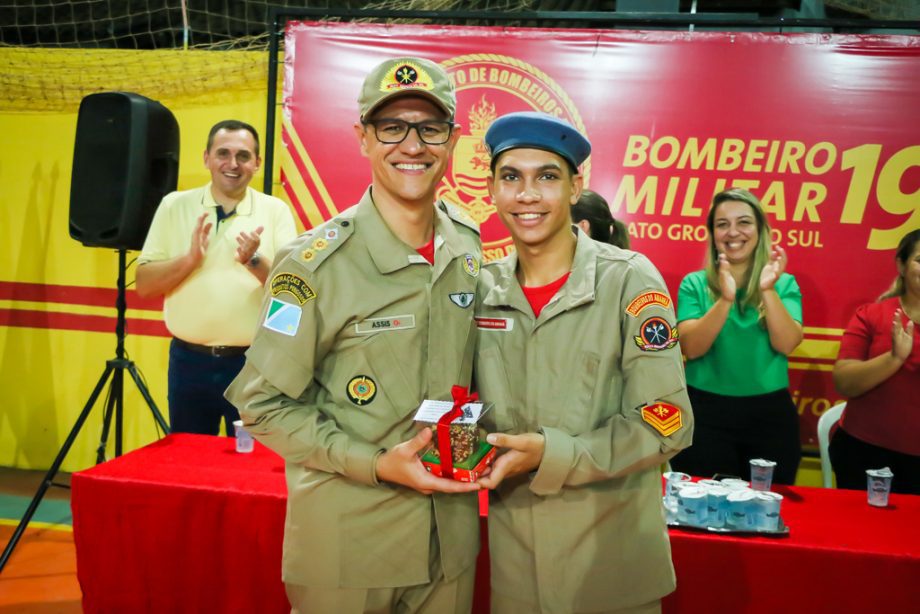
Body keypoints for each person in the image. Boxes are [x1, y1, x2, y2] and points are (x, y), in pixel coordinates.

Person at [224, 57, 483, 613]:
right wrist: (374, 462)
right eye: (391, 127)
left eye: (429, 128)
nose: (411, 145)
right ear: (362, 138)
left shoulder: (468, 245)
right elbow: (263, 405)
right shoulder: (312, 265)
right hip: (351, 546)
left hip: (450, 544)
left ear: (453, 140)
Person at [473, 111, 693, 614]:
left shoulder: (628, 281)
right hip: (515, 567)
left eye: (546, 177)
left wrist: (553, 453)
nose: (527, 195)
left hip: (609, 566)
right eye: (511, 177)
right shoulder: (481, 290)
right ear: (492, 190)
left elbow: (670, 423)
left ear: (575, 187)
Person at [136, 119, 297, 436]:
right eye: (223, 153)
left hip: (254, 366)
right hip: (188, 363)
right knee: (190, 466)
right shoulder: (174, 205)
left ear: (257, 163)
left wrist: (254, 260)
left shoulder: (275, 210)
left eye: (243, 156)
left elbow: (292, 294)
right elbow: (144, 285)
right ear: (206, 158)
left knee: (252, 468)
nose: (232, 164)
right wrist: (189, 260)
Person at [670, 188, 803, 484]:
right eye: (722, 224)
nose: (733, 232)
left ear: (760, 230)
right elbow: (692, 347)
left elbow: (787, 343)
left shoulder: (783, 284)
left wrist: (767, 289)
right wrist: (725, 299)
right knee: (705, 513)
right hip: (705, 414)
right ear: (712, 233)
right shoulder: (695, 284)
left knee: (765, 510)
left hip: (770, 416)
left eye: (743, 222)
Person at [830, 229, 920, 494]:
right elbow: (844, 382)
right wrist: (894, 358)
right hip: (863, 454)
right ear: (901, 265)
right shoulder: (872, 315)